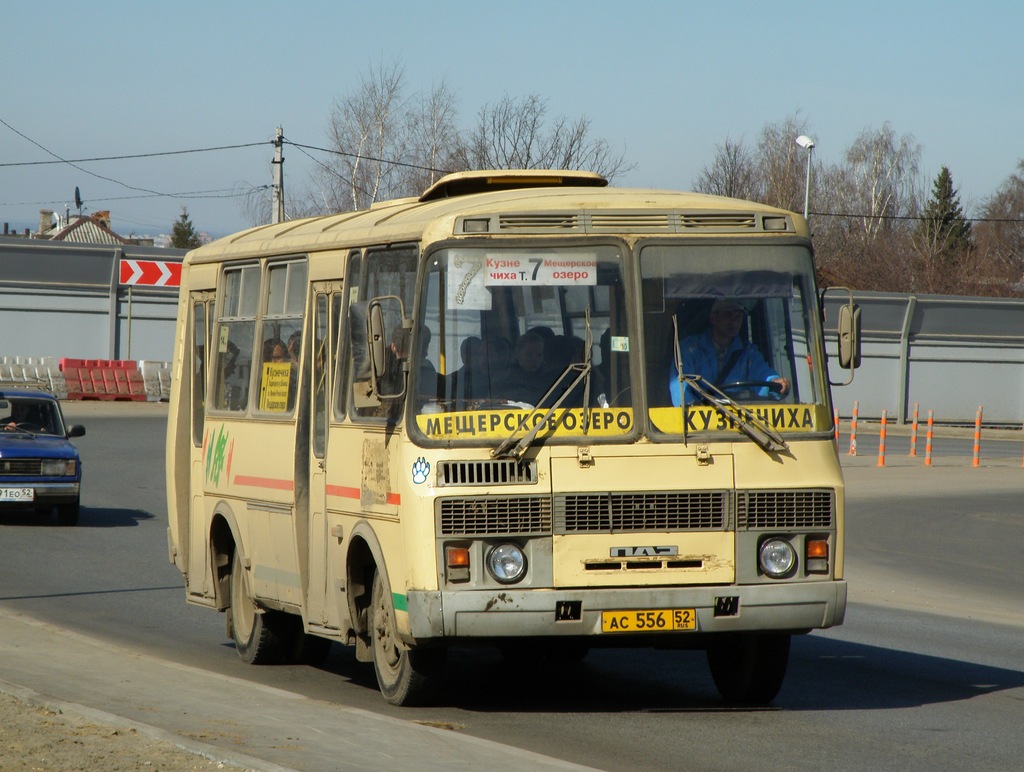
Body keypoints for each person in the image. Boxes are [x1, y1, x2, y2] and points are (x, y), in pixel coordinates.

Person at [669, 298, 789, 406]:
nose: (734, 321)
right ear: (713, 318)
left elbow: (763, 374)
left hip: (739, 421)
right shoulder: (689, 349)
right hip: (701, 425)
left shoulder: (747, 353)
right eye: (728, 315)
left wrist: (776, 383)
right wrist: (691, 410)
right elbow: (680, 388)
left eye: (738, 316)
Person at [501, 332, 546, 404]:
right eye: (528, 354)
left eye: (539, 355)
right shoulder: (505, 380)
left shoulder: (552, 378)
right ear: (517, 354)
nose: (534, 359)